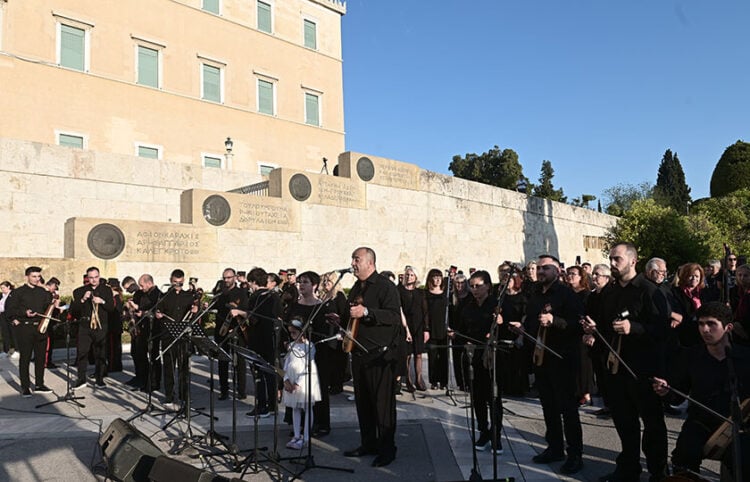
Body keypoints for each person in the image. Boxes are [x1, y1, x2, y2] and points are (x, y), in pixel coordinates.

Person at [582, 242, 670, 482]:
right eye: (610, 259)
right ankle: (628, 468)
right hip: (615, 368)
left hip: (643, 369)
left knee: (652, 424)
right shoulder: (609, 292)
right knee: (624, 421)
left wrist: (635, 328)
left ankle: (658, 471)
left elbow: (663, 331)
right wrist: (593, 329)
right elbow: (602, 324)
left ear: (633, 261)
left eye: (617, 259)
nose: (612, 263)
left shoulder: (650, 291)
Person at [652, 301, 750, 477]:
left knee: (743, 461)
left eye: (711, 324)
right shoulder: (691, 356)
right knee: (683, 457)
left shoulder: (745, 357)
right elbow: (678, 395)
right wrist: (667, 391)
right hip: (701, 422)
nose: (705, 329)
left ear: (728, 327)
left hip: (738, 425)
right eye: (701, 324)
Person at [513, 255, 585, 475]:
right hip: (541, 359)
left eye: (545, 268)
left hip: (562, 359)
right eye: (539, 268)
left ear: (557, 270)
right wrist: (523, 329)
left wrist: (556, 322)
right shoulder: (535, 294)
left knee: (568, 409)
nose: (541, 272)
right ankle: (555, 448)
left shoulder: (567, 295)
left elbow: (577, 325)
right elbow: (534, 322)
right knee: (548, 407)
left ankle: (575, 455)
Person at [331, 247, 401, 467]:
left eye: (356, 259)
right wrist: (338, 319)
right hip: (359, 354)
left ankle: (387, 449)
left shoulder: (385, 287)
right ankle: (368, 443)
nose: (352, 263)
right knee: (364, 404)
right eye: (352, 259)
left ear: (370, 262)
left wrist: (368, 312)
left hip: (380, 357)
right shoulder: (356, 289)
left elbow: (393, 317)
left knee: (382, 406)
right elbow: (351, 317)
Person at [456, 270, 511, 456]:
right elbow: (461, 328)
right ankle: (483, 431)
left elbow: (508, 332)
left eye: (478, 286)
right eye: (471, 286)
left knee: (494, 398)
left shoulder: (496, 305)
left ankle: (496, 435)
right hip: (474, 356)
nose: (474, 289)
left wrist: (501, 324)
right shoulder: (467, 305)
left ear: (488, 285)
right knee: (477, 398)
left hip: (492, 357)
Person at [285, 271, 333, 436]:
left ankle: (320, 424)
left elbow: (324, 332)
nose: (301, 285)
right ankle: (299, 424)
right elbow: (287, 327)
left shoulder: (321, 307)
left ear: (314, 285)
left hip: (315, 355)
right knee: (297, 389)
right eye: (300, 282)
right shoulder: (294, 305)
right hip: (296, 354)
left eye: (305, 282)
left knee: (315, 388)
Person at [4, 267, 53, 397]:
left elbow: (48, 307)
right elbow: (9, 310)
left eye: (38, 276)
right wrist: (22, 314)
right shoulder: (18, 292)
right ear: (27, 276)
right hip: (25, 329)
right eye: (34, 276)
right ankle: (25, 387)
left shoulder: (43, 292)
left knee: (40, 358)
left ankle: (39, 384)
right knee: (25, 359)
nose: (37, 279)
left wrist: (54, 301)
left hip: (41, 328)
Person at [156, 269, 198, 409]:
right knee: (168, 366)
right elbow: (158, 311)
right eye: (175, 283)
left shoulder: (189, 296)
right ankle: (169, 395)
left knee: (183, 368)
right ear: (170, 280)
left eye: (180, 283)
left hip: (183, 337)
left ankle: (184, 396)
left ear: (183, 281)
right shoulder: (164, 296)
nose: (177, 285)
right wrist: (158, 314)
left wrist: (195, 310)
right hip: (168, 336)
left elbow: (195, 314)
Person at [245, 267, 281, 416]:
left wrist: (242, 314)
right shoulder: (274, 296)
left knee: (259, 374)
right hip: (271, 339)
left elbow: (253, 319)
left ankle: (262, 406)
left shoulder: (256, 297)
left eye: (250, 283)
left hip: (258, 340)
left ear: (254, 282)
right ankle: (272, 406)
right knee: (270, 373)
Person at [71, 267, 114, 390]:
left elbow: (111, 308)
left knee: (100, 353)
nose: (94, 280)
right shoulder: (80, 291)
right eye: (91, 277)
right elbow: (75, 310)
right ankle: (81, 378)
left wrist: (102, 302)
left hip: (101, 326)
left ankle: (99, 379)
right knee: (82, 353)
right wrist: (83, 299)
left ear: (99, 276)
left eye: (96, 277)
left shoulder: (106, 290)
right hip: (85, 326)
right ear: (87, 278)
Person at [282, 318, 322, 450]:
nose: (292, 335)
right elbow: (286, 364)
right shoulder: (291, 345)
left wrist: (298, 383)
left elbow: (308, 365)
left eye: (294, 333)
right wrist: (286, 380)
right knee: (295, 408)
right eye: (290, 333)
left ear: (302, 331)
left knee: (307, 407)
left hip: (305, 379)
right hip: (292, 378)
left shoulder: (310, 346)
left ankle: (305, 437)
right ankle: (296, 435)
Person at [213, 268, 249, 401]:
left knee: (240, 362)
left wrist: (237, 311)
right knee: (222, 361)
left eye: (229, 277)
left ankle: (241, 390)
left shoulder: (241, 293)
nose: (226, 280)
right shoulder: (220, 293)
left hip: (237, 330)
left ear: (234, 277)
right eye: (224, 278)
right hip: (222, 330)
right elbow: (215, 308)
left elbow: (246, 310)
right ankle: (224, 390)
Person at [126, 274, 162, 392]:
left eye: (142, 285)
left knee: (153, 356)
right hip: (141, 329)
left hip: (153, 330)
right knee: (140, 355)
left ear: (149, 283)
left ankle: (154, 382)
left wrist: (141, 310)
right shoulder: (141, 294)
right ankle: (142, 378)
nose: (140, 288)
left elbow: (155, 310)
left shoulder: (157, 295)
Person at [566, 265, 594, 406]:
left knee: (583, 363)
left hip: (582, 332)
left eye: (573, 274)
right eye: (568, 273)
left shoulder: (587, 294)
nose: (570, 276)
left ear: (581, 277)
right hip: (569, 331)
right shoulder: (566, 293)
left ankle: (586, 392)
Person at [398, 265, 428, 392]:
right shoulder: (399, 291)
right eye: (407, 275)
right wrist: (406, 329)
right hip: (406, 325)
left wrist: (426, 329)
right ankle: (409, 380)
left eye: (412, 275)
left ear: (416, 277)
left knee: (419, 353)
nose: (409, 277)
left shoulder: (420, 292)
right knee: (407, 354)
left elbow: (425, 311)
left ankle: (419, 378)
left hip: (418, 325)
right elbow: (399, 310)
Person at [425, 268, 448, 390]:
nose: (438, 279)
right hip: (432, 328)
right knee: (432, 356)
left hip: (443, 328)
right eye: (435, 277)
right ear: (430, 279)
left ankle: (444, 382)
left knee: (444, 356)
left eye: (439, 277)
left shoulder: (446, 294)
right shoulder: (426, 294)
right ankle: (434, 381)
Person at [0, 281, 16, 359]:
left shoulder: (13, 295)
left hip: (10, 315)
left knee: (13, 333)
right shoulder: (2, 296)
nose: (2, 289)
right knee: (5, 333)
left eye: (3, 287)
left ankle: (17, 350)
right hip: (2, 315)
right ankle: (6, 350)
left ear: (8, 287)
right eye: (1, 288)